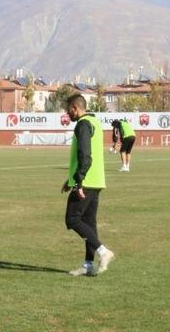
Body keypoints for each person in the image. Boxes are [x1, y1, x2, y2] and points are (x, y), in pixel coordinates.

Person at [61, 94, 115, 277]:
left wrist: (79, 181)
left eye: (68, 109)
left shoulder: (83, 124)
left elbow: (85, 154)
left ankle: (103, 251)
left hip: (87, 181)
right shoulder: (95, 122)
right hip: (97, 180)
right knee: (89, 224)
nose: (67, 113)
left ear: (75, 108)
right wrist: (70, 181)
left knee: (72, 219)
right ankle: (89, 265)